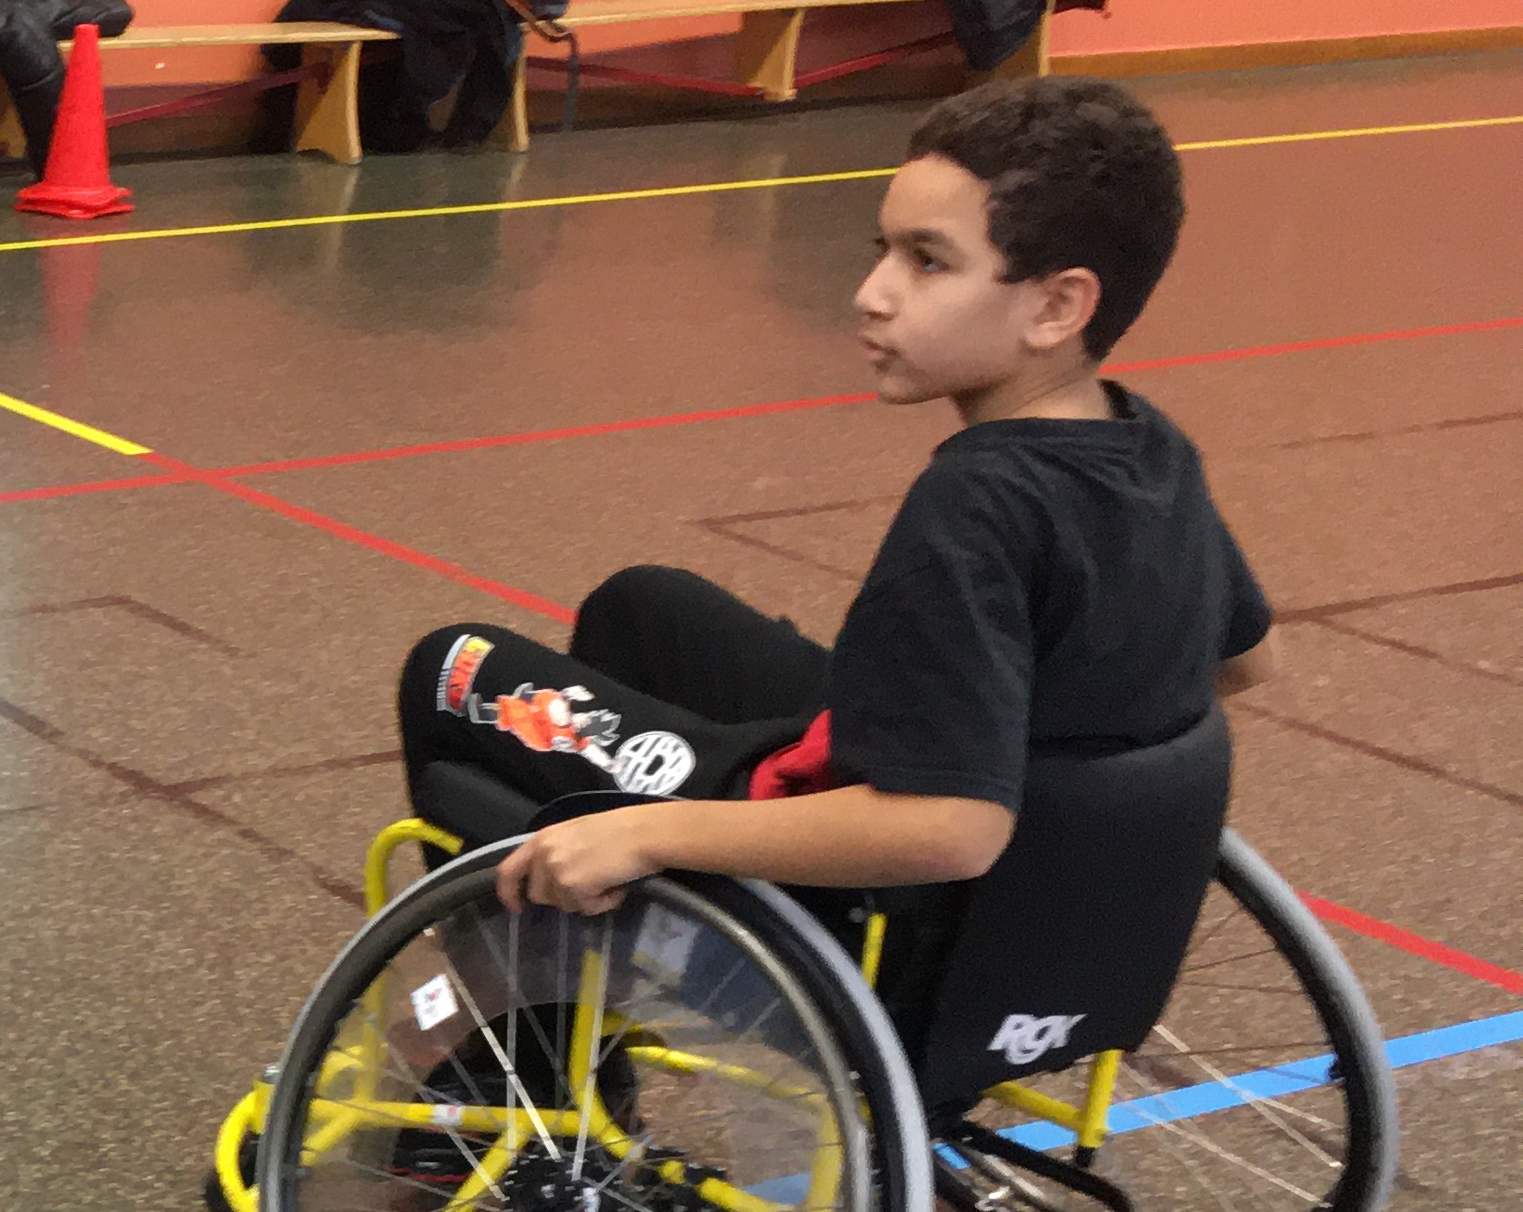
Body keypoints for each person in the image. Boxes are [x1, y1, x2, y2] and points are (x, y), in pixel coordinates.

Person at [392, 75, 1272, 918]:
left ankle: (512, 1013)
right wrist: (1046, 755)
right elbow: (1243, 660)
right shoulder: (1148, 447)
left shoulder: (977, 506)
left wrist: (644, 832)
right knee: (642, 609)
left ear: (1057, 307)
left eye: (927, 262)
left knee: (455, 668)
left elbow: (953, 829)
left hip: (873, 896)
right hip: (1022, 884)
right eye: (881, 252)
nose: (871, 294)